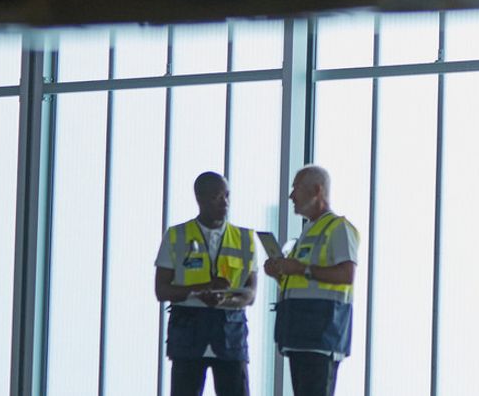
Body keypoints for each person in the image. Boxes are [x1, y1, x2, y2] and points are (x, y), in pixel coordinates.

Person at [154, 171, 259, 396]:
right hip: (188, 335)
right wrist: (199, 291)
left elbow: (251, 293)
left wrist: (227, 298)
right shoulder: (176, 235)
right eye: (217, 197)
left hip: (230, 334)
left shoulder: (244, 238)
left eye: (227, 196)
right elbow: (161, 290)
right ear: (200, 198)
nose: (225, 203)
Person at [264, 165, 361, 396]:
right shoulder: (308, 231)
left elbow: (346, 275)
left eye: (296, 188)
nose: (291, 196)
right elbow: (303, 281)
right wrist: (281, 274)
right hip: (298, 332)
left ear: (317, 190)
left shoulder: (338, 228)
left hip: (322, 333)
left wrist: (301, 268)